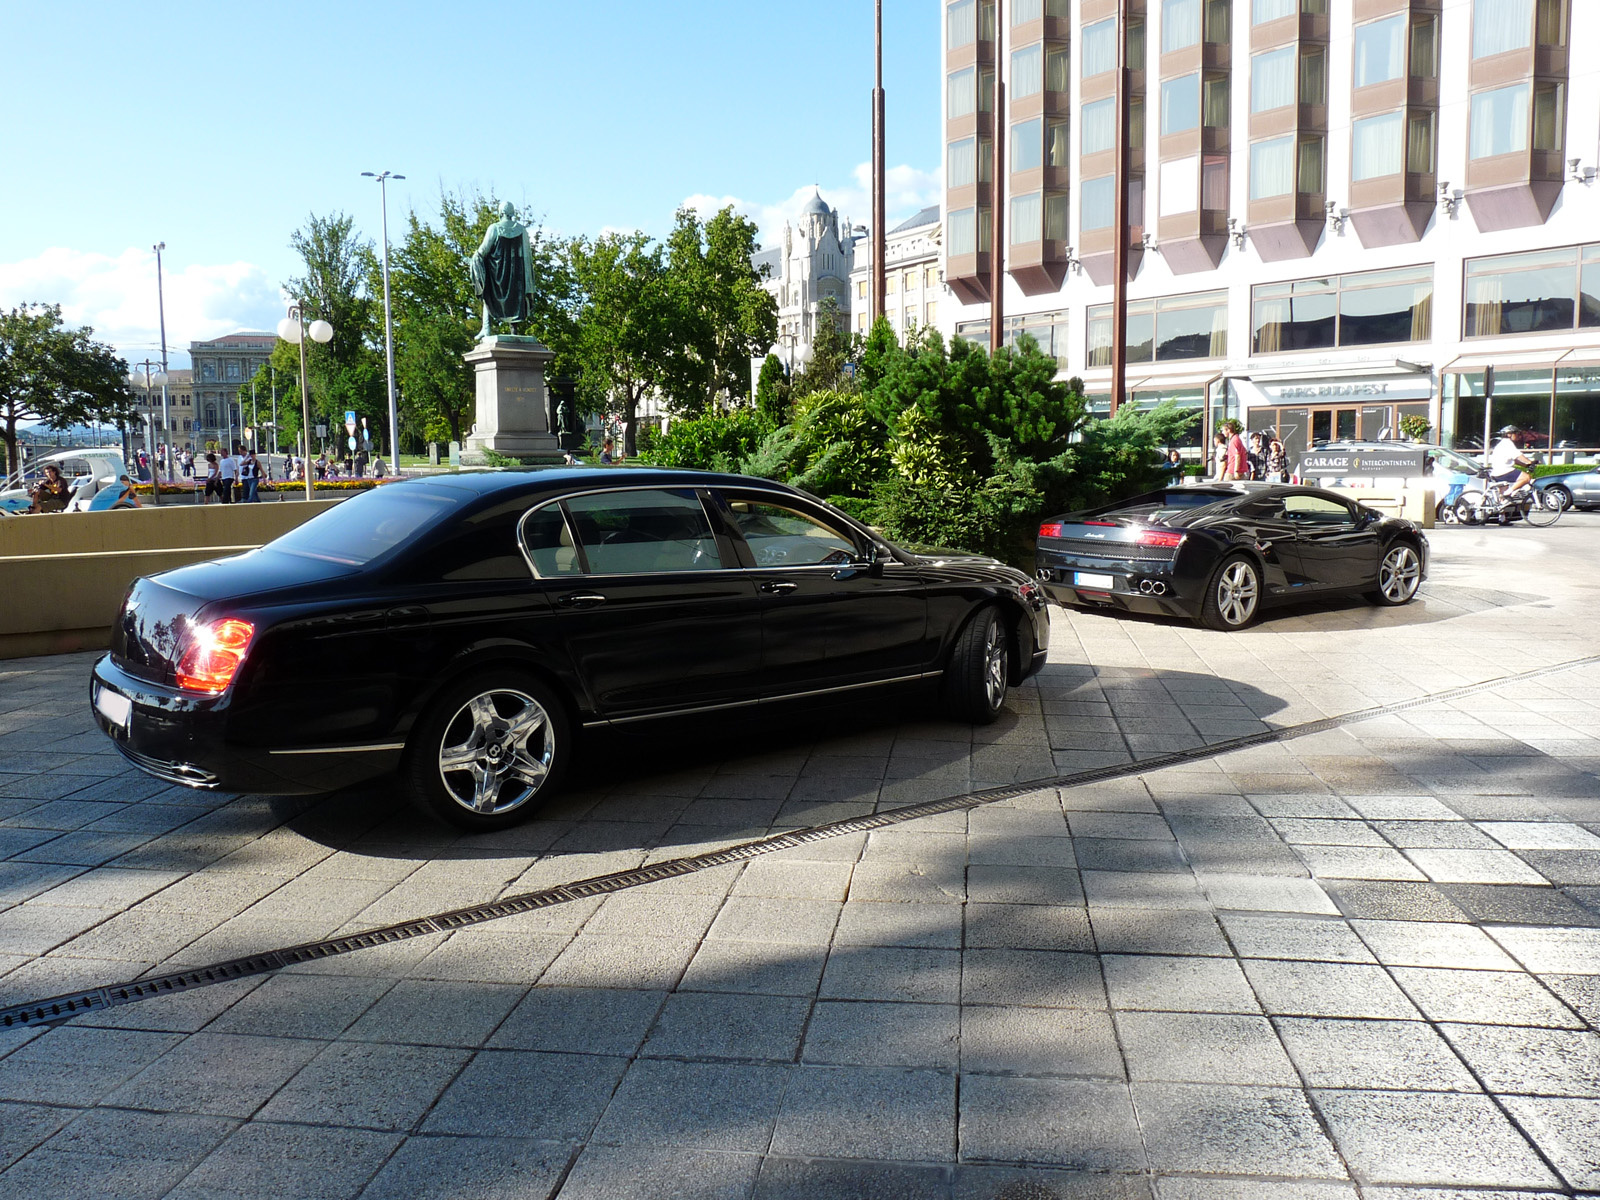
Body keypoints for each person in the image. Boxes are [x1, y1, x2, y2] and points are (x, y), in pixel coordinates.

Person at [1489, 425, 1536, 496]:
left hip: (1497, 472)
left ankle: (1502, 502)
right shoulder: (1508, 443)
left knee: (1502, 495)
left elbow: (1514, 460)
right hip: (1504, 471)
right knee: (1526, 477)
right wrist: (1529, 462)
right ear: (1509, 434)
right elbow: (1519, 456)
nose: (1517, 435)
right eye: (1516, 433)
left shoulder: (1502, 444)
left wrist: (1525, 465)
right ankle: (1509, 492)